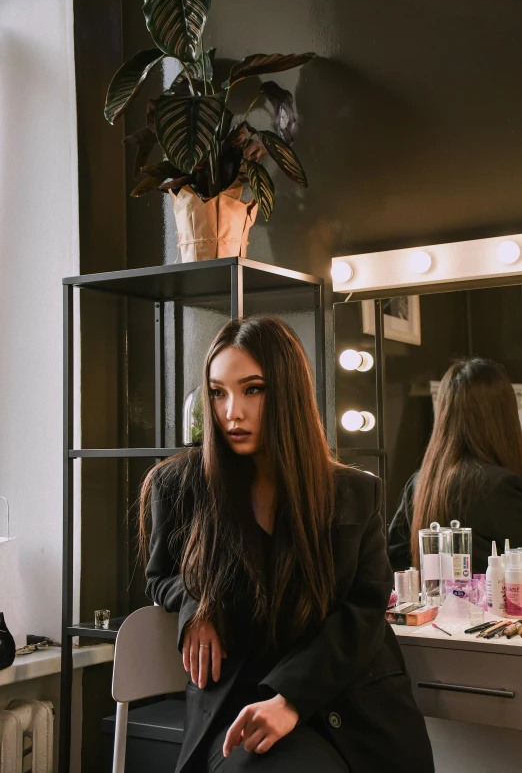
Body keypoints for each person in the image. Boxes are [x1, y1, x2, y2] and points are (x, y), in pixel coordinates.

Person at [139, 315, 434, 773]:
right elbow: (161, 575)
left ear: (288, 393)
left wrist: (292, 700)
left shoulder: (353, 493)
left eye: (252, 389)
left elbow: (366, 607)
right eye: (218, 392)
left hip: (348, 705)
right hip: (239, 710)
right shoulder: (179, 487)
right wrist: (196, 603)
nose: (231, 411)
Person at [388, 357, 522, 574]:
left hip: (435, 606)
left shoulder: (421, 482)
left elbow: (397, 558)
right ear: (504, 417)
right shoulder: (503, 486)